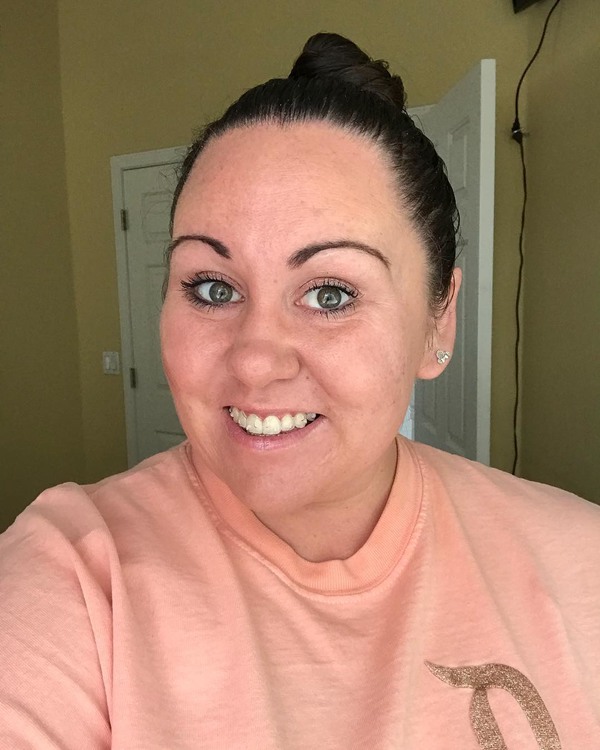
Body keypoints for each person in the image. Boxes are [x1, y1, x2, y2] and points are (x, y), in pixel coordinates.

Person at [0, 32, 598, 750]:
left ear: (438, 318)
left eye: (330, 294)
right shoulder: (73, 578)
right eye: (212, 287)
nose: (255, 362)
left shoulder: (581, 563)